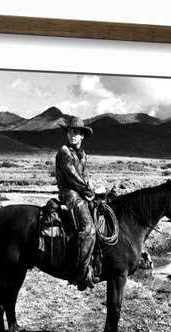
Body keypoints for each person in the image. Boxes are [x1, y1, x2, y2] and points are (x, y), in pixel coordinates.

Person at [55, 116, 97, 291]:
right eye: (70, 132)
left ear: (82, 136)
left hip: (80, 191)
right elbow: (73, 178)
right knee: (89, 229)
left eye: (76, 132)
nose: (72, 135)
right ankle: (79, 272)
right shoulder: (64, 152)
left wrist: (92, 187)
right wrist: (88, 189)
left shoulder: (82, 154)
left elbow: (84, 176)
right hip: (70, 193)